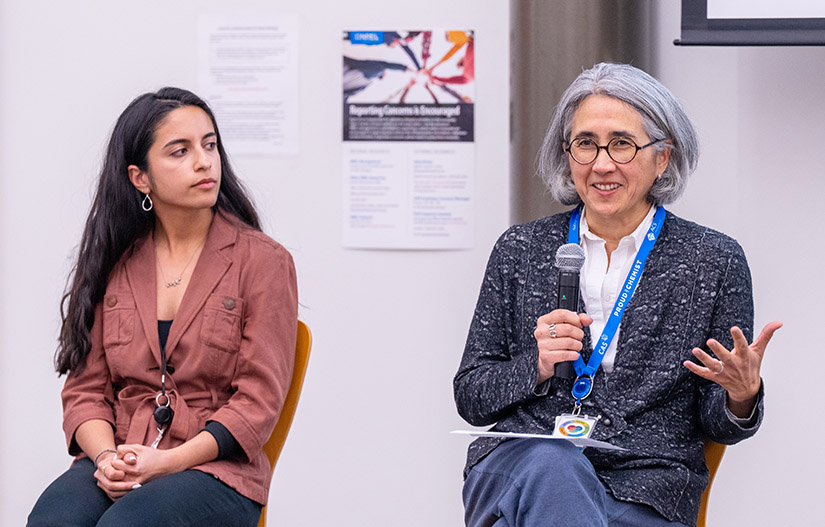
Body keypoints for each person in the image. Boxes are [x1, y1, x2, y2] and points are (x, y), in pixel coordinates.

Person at [453, 63, 781, 527]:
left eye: (622, 144)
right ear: (567, 153)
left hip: (644, 484)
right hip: (524, 464)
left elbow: (718, 424)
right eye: (585, 144)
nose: (602, 164)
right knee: (554, 467)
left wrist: (741, 396)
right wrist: (539, 364)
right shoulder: (521, 249)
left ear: (662, 156)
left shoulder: (714, 260)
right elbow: (471, 395)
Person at [28, 87, 298, 527]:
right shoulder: (115, 260)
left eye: (210, 145)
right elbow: (85, 391)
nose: (204, 161)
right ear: (141, 178)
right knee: (53, 521)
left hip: (215, 469)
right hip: (120, 455)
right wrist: (108, 458)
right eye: (180, 151)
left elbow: (257, 403)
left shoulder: (264, 262)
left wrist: (168, 462)